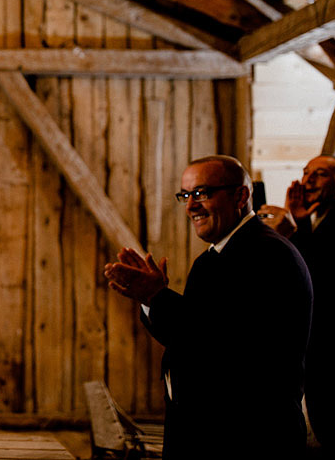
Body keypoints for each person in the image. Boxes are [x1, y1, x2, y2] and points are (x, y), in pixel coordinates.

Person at [104, 155, 312, 460]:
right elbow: (186, 337)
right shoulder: (210, 259)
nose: (190, 206)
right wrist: (149, 300)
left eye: (202, 193)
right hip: (207, 432)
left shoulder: (269, 254)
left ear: (240, 196)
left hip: (248, 437)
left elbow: (225, 343)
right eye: (186, 195)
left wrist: (158, 297)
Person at [258, 155, 335, 458]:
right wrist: (297, 222)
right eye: (306, 173)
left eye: (320, 175)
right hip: (308, 352)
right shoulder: (309, 224)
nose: (308, 180)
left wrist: (292, 233)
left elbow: (322, 280)